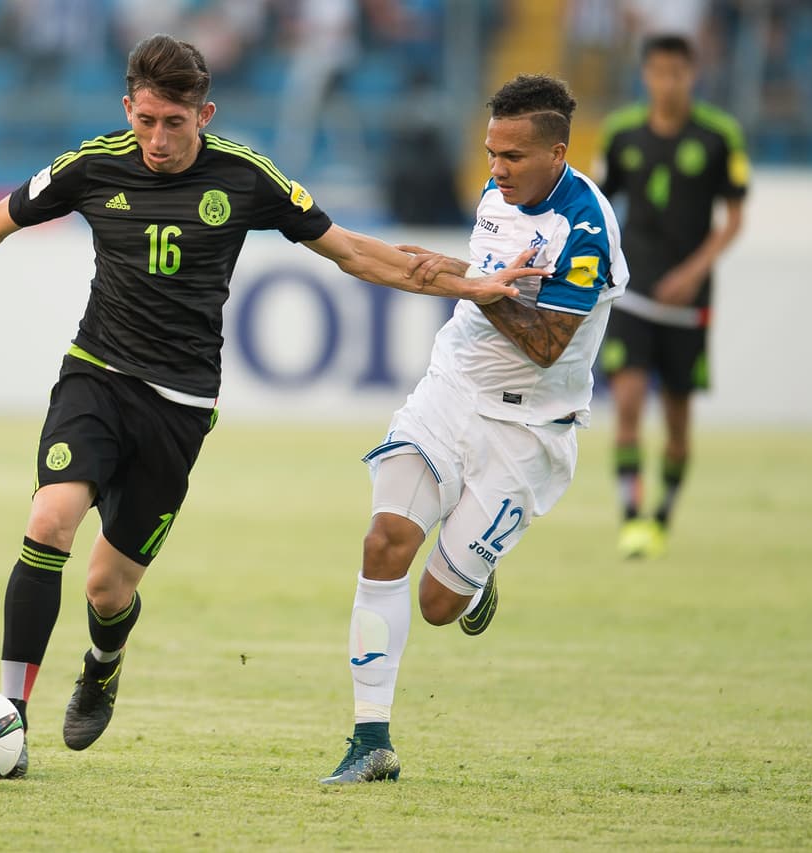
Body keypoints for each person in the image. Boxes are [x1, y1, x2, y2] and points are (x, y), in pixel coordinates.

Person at [0, 34, 529, 779]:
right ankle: (10, 718)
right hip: (96, 377)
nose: (157, 138)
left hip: (180, 408)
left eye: (174, 123)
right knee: (49, 519)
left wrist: (466, 283)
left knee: (107, 587)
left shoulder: (247, 179)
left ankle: (103, 662)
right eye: (146, 119)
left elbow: (350, 251)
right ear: (129, 108)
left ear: (204, 115)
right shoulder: (92, 165)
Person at [320, 73, 627, 785]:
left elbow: (546, 342)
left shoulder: (585, 227)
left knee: (436, 604)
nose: (495, 169)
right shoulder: (498, 196)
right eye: (490, 152)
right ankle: (371, 739)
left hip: (532, 430)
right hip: (452, 391)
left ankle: (474, 574)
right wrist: (459, 274)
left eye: (513, 156)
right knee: (383, 539)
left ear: (558, 151)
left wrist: (478, 292)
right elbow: (489, 281)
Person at [597, 34, 748, 559]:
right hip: (634, 293)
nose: (667, 82)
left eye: (677, 73)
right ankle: (632, 516)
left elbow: (734, 221)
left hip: (688, 301)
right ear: (645, 75)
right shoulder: (621, 133)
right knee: (630, 405)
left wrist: (693, 271)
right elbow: (598, 201)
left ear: (692, 74)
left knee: (679, 423)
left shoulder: (718, 136)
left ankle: (663, 513)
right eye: (658, 72)